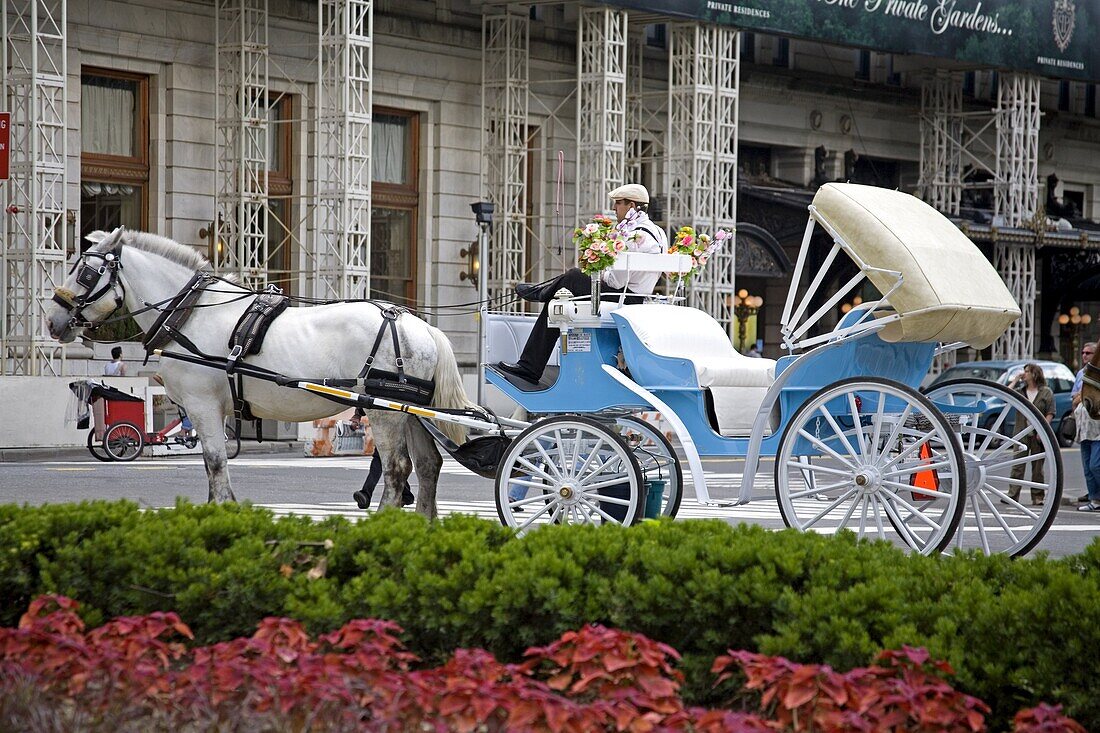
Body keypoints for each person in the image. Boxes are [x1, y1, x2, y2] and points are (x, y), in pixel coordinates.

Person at [496, 183, 668, 384]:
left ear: (631, 206)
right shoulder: (658, 232)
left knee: (573, 277)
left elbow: (615, 280)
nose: (614, 209)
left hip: (623, 296)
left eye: (618, 204)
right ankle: (542, 295)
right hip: (637, 297)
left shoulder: (634, 236)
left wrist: (600, 273)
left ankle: (530, 362)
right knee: (564, 290)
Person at [1005, 363, 1054, 506]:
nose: (1024, 374)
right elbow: (1005, 394)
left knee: (1038, 468)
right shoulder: (1020, 391)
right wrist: (1015, 380)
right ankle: (1012, 494)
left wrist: (1043, 429)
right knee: (1017, 465)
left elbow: (1050, 412)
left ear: (1035, 374)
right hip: (1022, 432)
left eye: (1027, 372)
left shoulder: (1046, 392)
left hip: (1038, 434)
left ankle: (1037, 496)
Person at [350, 408, 415, 509]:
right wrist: (358, 415)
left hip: (401, 424)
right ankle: (406, 494)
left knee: (383, 460)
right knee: (387, 461)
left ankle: (366, 493)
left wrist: (358, 414)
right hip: (386, 426)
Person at [1073, 343, 1100, 512]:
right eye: (1082, 352)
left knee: (1095, 465)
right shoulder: (1081, 374)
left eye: (1088, 352)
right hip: (1083, 426)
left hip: (1097, 428)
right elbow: (1075, 398)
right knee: (1087, 468)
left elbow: (1081, 396)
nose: (1084, 355)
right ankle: (1094, 499)